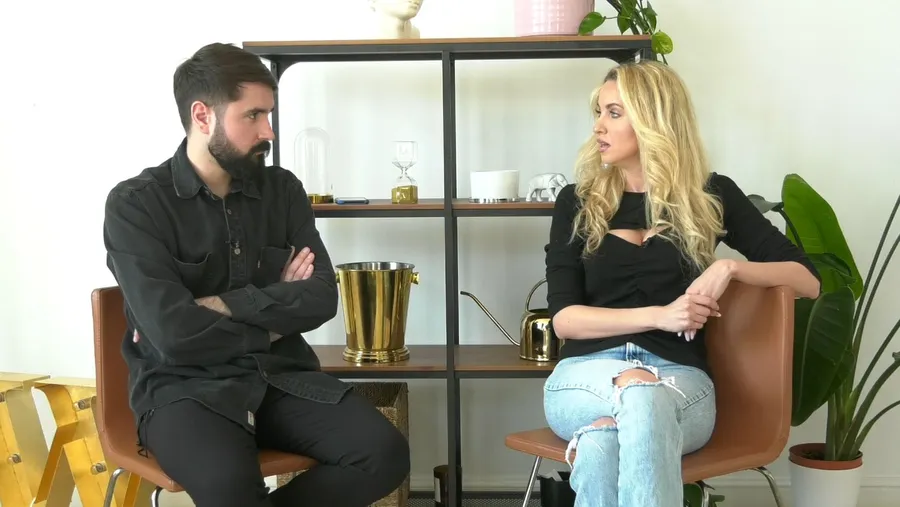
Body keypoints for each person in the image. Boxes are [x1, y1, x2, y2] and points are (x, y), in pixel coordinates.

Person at [102, 42, 410, 507]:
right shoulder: (135, 205)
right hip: (183, 389)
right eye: (253, 115)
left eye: (269, 114)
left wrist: (225, 304)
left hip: (280, 378)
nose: (268, 131)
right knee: (231, 489)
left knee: (383, 454)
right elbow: (174, 334)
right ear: (202, 116)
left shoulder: (281, 190)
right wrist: (270, 316)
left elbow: (322, 297)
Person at [541, 60, 821, 507]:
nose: (598, 126)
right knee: (638, 391)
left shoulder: (712, 195)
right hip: (585, 379)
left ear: (653, 120)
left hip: (681, 383)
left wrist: (729, 269)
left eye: (614, 113)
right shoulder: (576, 201)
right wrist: (661, 316)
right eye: (598, 112)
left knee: (603, 442)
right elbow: (565, 320)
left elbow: (807, 280)